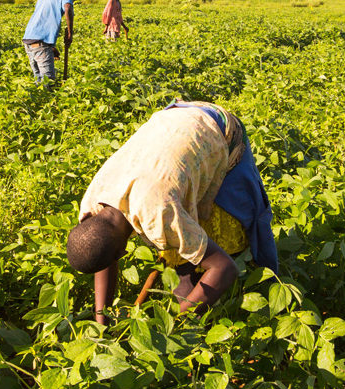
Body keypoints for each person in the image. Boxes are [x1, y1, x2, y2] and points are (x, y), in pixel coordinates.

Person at [65, 101, 278, 325]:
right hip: (173, 123)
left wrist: (174, 326)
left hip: (218, 128)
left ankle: (256, 282)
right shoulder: (93, 201)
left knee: (220, 241)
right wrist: (102, 322)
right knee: (185, 264)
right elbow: (102, 249)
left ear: (122, 253)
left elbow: (224, 268)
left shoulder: (158, 212)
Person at [22, 0, 75, 82]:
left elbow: (44, 21)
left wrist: (51, 48)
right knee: (48, 82)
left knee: (39, 81)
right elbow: (68, 8)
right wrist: (70, 33)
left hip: (28, 41)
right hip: (40, 43)